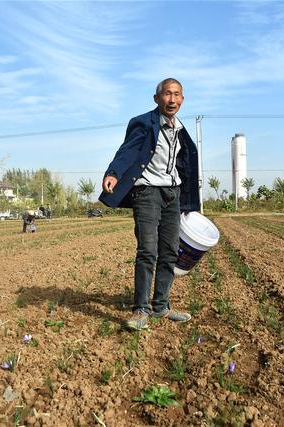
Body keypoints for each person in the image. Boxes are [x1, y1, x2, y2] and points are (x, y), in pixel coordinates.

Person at [99, 78, 200, 331]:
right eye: (167, 94)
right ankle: (141, 308)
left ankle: (161, 306)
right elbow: (128, 151)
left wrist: (187, 199)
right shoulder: (144, 122)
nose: (172, 99)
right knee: (148, 251)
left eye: (177, 95)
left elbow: (186, 164)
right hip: (147, 192)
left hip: (172, 193)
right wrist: (113, 172)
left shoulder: (181, 129)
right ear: (157, 98)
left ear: (182, 100)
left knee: (169, 252)